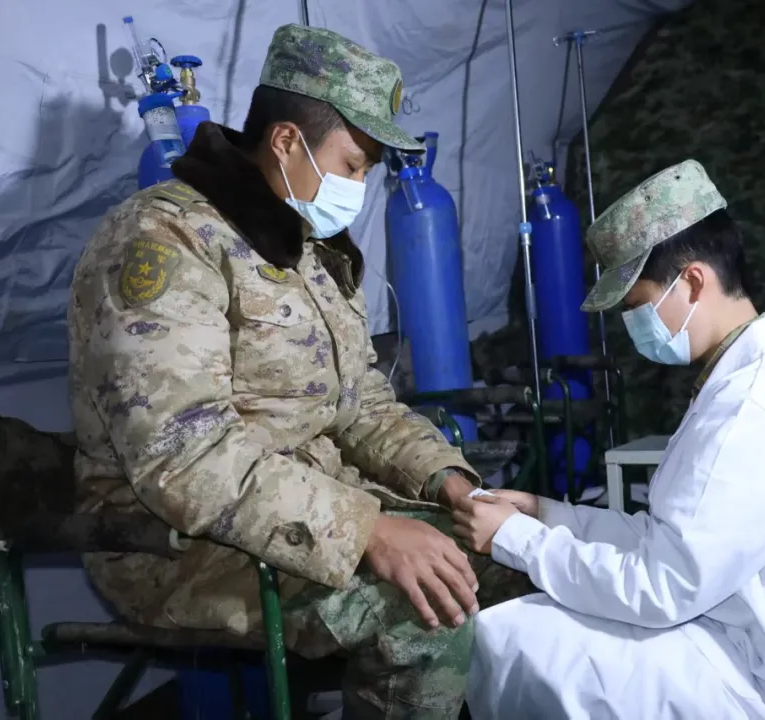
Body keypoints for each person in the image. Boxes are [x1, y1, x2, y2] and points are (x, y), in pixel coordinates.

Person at [68, 24, 528, 719]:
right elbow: (183, 453)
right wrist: (368, 531)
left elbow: (363, 406)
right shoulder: (166, 237)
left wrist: (452, 484)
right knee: (425, 611)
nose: (358, 187)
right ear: (286, 141)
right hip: (177, 546)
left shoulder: (307, 250)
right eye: (352, 164)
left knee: (513, 567)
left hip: (306, 515)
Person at [454, 160, 765, 719]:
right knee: (531, 629)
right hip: (741, 636)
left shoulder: (758, 410)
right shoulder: (740, 379)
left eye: (637, 307)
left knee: (519, 642)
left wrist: (517, 539)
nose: (633, 326)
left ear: (692, 281)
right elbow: (667, 538)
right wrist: (549, 516)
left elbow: (660, 586)